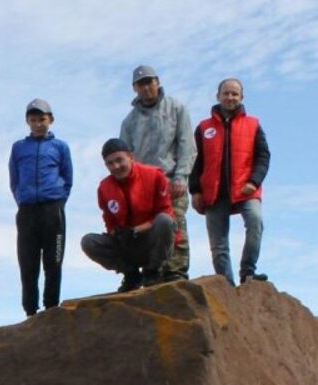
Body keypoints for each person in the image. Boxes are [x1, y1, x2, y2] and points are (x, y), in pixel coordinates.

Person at [189, 77, 271, 286]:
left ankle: (248, 272)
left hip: (246, 189)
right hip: (213, 192)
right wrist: (195, 189)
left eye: (234, 93)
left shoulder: (253, 124)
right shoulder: (204, 127)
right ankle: (226, 285)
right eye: (226, 93)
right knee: (218, 245)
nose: (230, 97)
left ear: (241, 97)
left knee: (255, 222)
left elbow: (263, 156)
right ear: (218, 96)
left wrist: (254, 181)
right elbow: (194, 160)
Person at [119, 65, 195, 280]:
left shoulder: (177, 108)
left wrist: (181, 175)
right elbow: (124, 156)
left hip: (170, 179)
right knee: (146, 229)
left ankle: (176, 272)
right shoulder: (129, 121)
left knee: (175, 223)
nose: (146, 87)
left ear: (158, 82)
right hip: (142, 186)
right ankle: (152, 272)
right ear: (135, 88)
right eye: (141, 83)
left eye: (149, 81)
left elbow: (187, 145)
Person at [80, 138, 178, 292]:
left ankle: (153, 273)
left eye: (119, 160)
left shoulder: (155, 176)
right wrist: (118, 234)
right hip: (127, 244)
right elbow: (110, 222)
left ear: (131, 157)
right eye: (110, 163)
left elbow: (166, 212)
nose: (116, 166)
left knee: (165, 221)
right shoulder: (104, 188)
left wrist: (136, 230)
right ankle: (131, 274)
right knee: (88, 242)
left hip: (152, 241)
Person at [9, 98, 73, 317]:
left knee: (53, 262)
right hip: (27, 211)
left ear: (51, 120)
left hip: (52, 209)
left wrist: (57, 201)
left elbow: (68, 178)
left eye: (42, 119)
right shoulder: (18, 148)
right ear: (27, 122)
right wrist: (23, 199)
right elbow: (14, 180)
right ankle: (30, 311)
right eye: (33, 120)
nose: (37, 124)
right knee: (28, 264)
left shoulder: (60, 147)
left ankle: (51, 308)